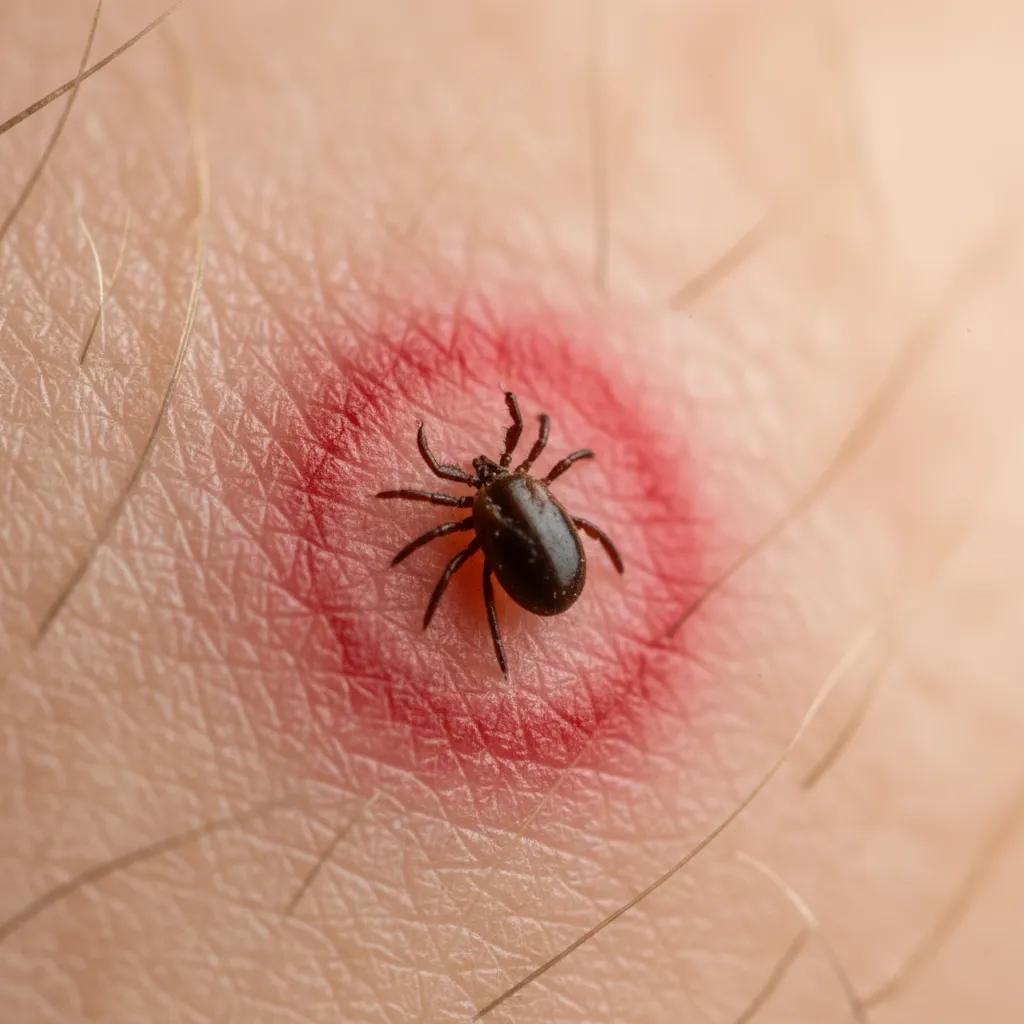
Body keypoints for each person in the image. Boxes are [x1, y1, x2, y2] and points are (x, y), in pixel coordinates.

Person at [2, 2, 1023, 1021]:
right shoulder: (520, 491)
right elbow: (537, 497)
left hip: (541, 576)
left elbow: (472, 540)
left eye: (497, 477)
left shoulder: (479, 524)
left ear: (513, 483)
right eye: (495, 480)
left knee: (471, 571)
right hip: (555, 574)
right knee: (494, 567)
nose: (494, 480)